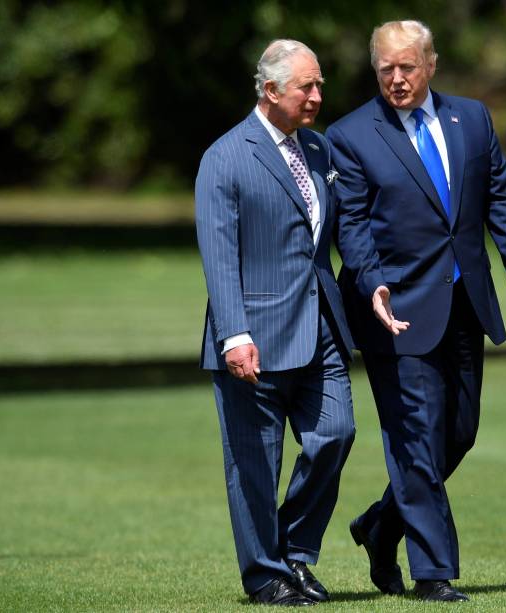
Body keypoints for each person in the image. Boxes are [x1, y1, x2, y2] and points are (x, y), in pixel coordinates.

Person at [326, 20, 506, 603]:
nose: (396, 79)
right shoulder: (351, 134)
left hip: (465, 303)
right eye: (385, 68)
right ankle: (433, 572)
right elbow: (353, 224)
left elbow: (503, 206)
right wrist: (370, 283)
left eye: (407, 66)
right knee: (414, 436)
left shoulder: (472, 119)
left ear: (431, 64)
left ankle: (380, 526)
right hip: (396, 310)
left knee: (457, 434)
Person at [195, 39, 356, 606]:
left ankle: (294, 552)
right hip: (253, 338)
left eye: (319, 84)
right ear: (270, 91)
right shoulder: (226, 156)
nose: (317, 96)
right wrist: (234, 334)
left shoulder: (318, 149)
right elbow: (219, 254)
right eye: (306, 87)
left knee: (336, 433)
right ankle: (265, 575)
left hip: (323, 329)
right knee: (255, 466)